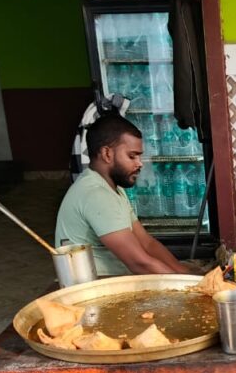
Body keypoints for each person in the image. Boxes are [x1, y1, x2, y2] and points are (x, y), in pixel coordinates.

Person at [55, 114, 190, 276]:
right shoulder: (96, 195)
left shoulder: (113, 189)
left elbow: (147, 243)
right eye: (132, 156)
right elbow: (140, 263)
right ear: (107, 154)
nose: (139, 163)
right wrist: (188, 287)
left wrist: (187, 274)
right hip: (96, 287)